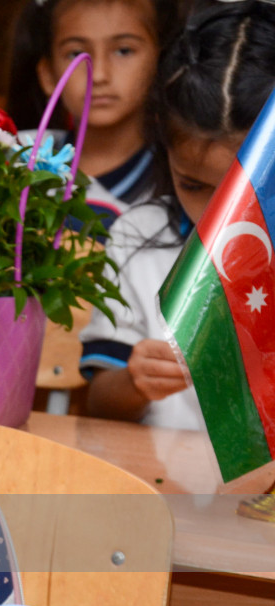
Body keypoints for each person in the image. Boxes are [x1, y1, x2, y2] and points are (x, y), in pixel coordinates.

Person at [80, 1, 275, 429]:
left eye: (244, 194)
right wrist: (137, 379)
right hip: (164, 485)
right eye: (193, 185)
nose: (218, 216)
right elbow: (98, 403)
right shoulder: (140, 234)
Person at [6, 0, 178, 226]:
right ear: (48, 74)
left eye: (123, 51)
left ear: (160, 62)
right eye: (75, 53)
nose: (98, 75)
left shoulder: (183, 181)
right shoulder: (14, 162)